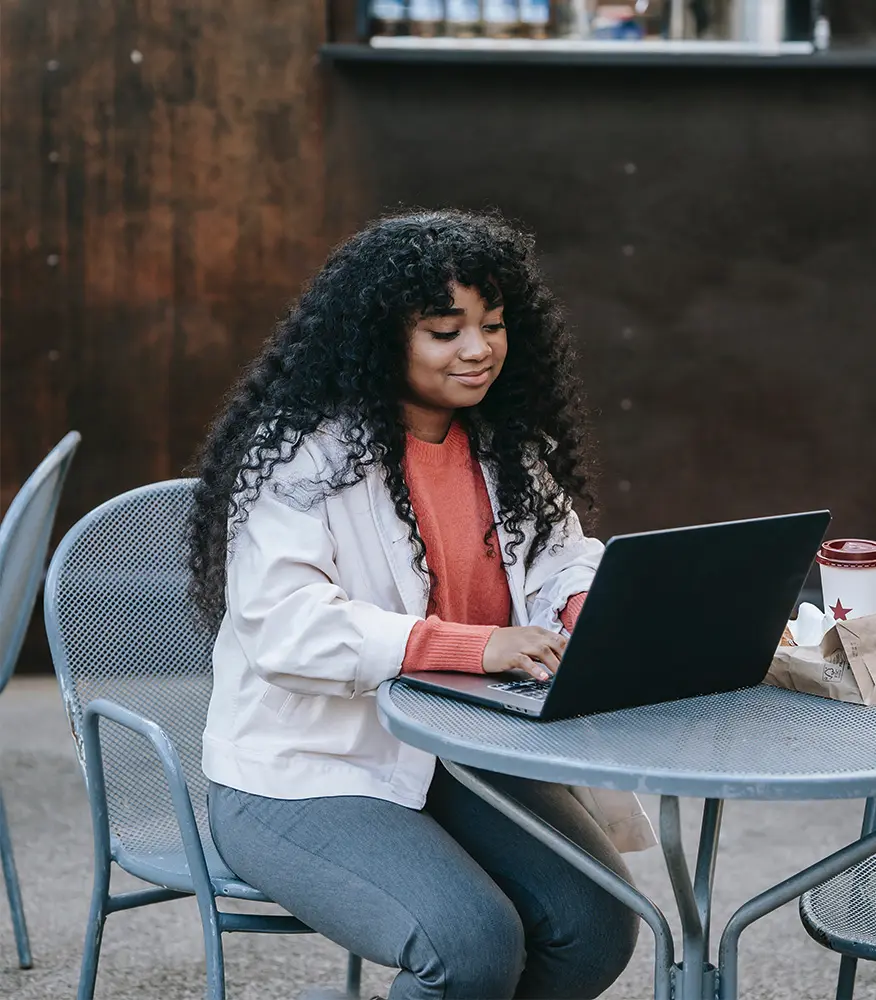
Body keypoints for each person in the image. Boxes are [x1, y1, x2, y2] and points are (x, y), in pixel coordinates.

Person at [188, 209, 654, 1000]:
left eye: (495, 324)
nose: (479, 350)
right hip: (307, 772)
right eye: (446, 331)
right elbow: (287, 628)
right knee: (469, 945)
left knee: (597, 925)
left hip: (464, 751)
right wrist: (475, 647)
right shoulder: (303, 456)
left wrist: (583, 606)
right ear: (379, 338)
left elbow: (560, 558)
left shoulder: (508, 443)